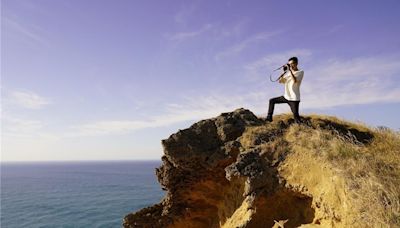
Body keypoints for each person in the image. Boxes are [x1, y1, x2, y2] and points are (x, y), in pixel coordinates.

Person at [266, 56, 304, 123]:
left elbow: (295, 80)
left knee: (296, 117)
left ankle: (300, 126)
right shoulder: (288, 73)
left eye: (292, 64)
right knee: (272, 101)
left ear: (296, 63)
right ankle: (269, 118)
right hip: (286, 96)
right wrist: (283, 72)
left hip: (294, 98)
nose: (291, 65)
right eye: (289, 64)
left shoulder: (300, 72)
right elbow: (280, 81)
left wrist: (290, 71)